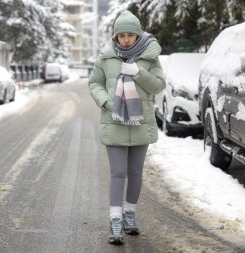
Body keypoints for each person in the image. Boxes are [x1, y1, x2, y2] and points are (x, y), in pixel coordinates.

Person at [88, 10, 165, 245]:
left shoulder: (150, 55)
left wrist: (138, 72)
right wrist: (107, 102)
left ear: (138, 34)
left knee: (135, 172)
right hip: (114, 120)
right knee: (118, 172)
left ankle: (130, 214)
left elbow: (158, 86)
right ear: (115, 36)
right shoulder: (106, 56)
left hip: (140, 121)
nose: (127, 40)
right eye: (122, 35)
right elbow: (94, 83)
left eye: (131, 35)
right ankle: (115, 220)